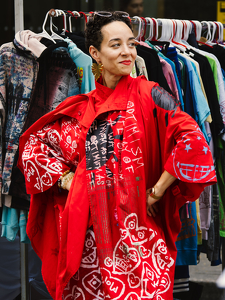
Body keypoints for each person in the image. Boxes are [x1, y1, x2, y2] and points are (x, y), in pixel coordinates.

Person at [18, 11, 216, 300]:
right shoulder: (79, 108)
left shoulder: (153, 94)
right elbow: (33, 147)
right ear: (95, 53)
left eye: (131, 43)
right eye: (116, 44)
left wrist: (157, 191)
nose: (127, 52)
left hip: (138, 238)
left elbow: (193, 140)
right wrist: (67, 179)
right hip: (89, 241)